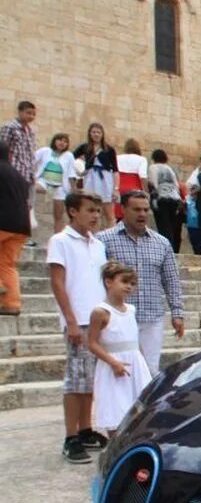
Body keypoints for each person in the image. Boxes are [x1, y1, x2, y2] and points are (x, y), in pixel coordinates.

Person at [46, 190, 108, 463]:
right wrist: (70, 319)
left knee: (90, 379)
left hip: (97, 318)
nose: (95, 216)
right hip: (78, 318)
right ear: (72, 211)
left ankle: (86, 428)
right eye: (90, 210)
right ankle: (71, 436)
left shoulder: (97, 244)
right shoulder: (60, 241)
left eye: (97, 211)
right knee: (75, 380)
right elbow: (58, 281)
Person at [97, 190, 185, 376]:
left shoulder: (162, 243)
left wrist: (177, 312)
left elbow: (171, 279)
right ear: (123, 209)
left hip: (151, 317)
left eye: (146, 210)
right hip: (117, 318)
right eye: (136, 209)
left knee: (150, 370)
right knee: (122, 371)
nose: (142, 214)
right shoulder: (103, 240)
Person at [87, 261, 153, 438]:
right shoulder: (101, 312)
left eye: (132, 284)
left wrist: (142, 363)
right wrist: (112, 362)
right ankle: (116, 445)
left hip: (134, 362)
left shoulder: (131, 310)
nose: (129, 287)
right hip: (113, 364)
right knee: (116, 406)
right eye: (124, 282)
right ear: (109, 282)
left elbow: (134, 340)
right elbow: (92, 343)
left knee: (138, 406)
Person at [0, 143, 32, 315]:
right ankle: (11, 304)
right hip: (21, 226)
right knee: (7, 264)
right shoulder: (18, 176)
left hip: (3, 222)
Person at [74, 122, 118, 229]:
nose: (96, 134)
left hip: (105, 179)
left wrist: (116, 188)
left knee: (109, 213)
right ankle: (94, 236)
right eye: (93, 132)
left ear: (102, 134)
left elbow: (115, 170)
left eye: (98, 132)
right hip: (90, 179)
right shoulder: (85, 147)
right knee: (92, 209)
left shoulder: (109, 149)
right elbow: (70, 157)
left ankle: (111, 237)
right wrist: (79, 172)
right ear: (90, 133)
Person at [1, 102, 37, 227]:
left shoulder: (30, 131)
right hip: (14, 171)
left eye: (33, 114)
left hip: (27, 173)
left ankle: (24, 232)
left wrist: (33, 172)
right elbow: (3, 148)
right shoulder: (9, 127)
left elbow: (31, 152)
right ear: (20, 111)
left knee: (26, 204)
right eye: (28, 113)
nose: (31, 116)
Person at [33, 132, 75, 233]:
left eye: (65, 141)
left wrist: (73, 190)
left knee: (58, 215)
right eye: (60, 140)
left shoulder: (68, 156)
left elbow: (71, 173)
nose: (62, 143)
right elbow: (31, 160)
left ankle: (57, 237)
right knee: (32, 188)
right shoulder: (45, 151)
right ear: (55, 141)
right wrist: (32, 177)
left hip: (60, 186)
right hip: (44, 181)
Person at [148, 149, 182, 252]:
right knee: (171, 227)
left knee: (163, 226)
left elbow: (153, 183)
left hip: (162, 199)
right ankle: (171, 248)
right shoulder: (169, 169)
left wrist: (153, 198)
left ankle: (166, 250)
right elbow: (176, 185)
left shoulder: (153, 167)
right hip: (174, 199)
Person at [114, 138, 148, 221]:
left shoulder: (117, 158)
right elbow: (143, 176)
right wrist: (146, 191)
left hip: (120, 187)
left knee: (119, 214)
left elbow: (114, 173)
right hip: (134, 188)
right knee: (133, 214)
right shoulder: (141, 159)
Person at [185, 185, 201, 255]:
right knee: (193, 242)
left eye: (195, 193)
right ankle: (197, 254)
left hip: (199, 225)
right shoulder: (188, 200)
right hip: (191, 225)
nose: (193, 195)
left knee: (199, 243)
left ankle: (199, 255)